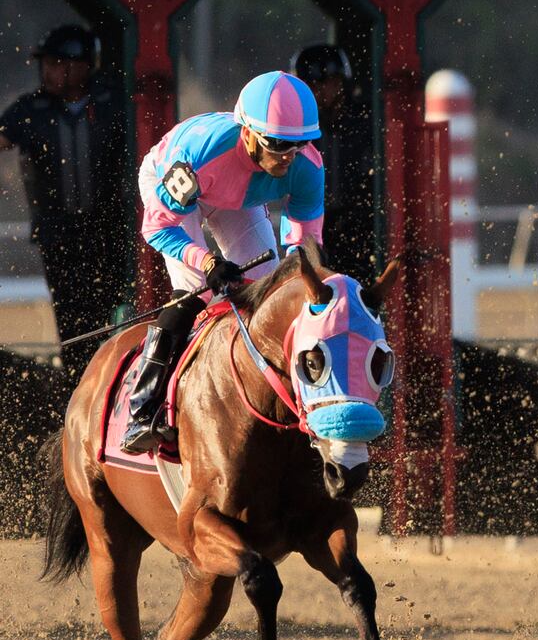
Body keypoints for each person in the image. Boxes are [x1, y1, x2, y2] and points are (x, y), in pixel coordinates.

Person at [122, 71, 327, 455]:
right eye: (277, 144)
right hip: (175, 184)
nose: (286, 157)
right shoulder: (204, 153)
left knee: (272, 294)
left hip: (236, 196)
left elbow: (304, 247)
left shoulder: (308, 167)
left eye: (297, 145)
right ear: (248, 133)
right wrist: (208, 259)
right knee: (194, 291)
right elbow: (155, 228)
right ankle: (143, 410)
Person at [0, 24, 134, 366]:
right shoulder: (31, 109)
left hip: (109, 235)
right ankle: (77, 384)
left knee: (117, 315)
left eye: (58, 62)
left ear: (84, 65)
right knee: (72, 322)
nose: (48, 71)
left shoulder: (115, 103)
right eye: (45, 63)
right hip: (58, 239)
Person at [293, 41, 379, 279]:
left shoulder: (367, 121)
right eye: (312, 85)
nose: (320, 91)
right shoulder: (296, 129)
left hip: (364, 229)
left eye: (328, 82)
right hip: (315, 227)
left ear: (342, 83)